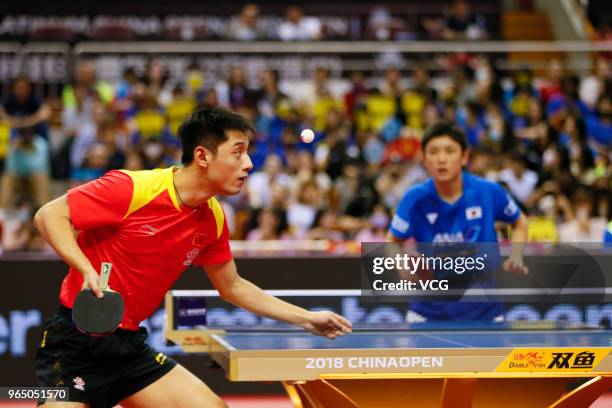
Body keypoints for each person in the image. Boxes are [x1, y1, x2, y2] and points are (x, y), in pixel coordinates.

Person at [33, 106, 352, 408]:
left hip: (127, 348)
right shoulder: (133, 189)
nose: (249, 163)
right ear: (203, 155)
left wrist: (306, 318)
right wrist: (85, 269)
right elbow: (49, 216)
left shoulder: (213, 218)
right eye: (238, 152)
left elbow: (233, 286)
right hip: (74, 344)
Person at [387, 121, 528, 321]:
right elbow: (393, 241)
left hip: (485, 310)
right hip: (428, 312)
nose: (441, 159)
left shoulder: (488, 191)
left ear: (464, 157)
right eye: (433, 152)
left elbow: (519, 222)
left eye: (449, 151)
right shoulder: (414, 198)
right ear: (425, 160)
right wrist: (402, 268)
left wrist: (516, 255)